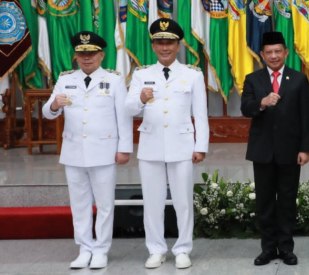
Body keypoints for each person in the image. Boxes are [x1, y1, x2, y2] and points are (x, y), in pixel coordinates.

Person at [43, 31, 132, 269]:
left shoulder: (114, 80)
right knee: (79, 204)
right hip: (73, 151)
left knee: (104, 203)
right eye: (82, 54)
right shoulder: (65, 79)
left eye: (92, 53)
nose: (86, 58)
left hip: (104, 150)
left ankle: (101, 249)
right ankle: (84, 248)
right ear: (76, 55)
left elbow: (123, 117)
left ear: (101, 55)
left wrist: (124, 148)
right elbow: (47, 112)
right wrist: (53, 105)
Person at [124, 18, 209, 269]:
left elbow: (201, 113)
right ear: (152, 46)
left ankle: (183, 248)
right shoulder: (141, 74)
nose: (165, 48)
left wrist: (200, 146)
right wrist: (140, 98)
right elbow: (128, 108)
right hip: (151, 146)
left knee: (183, 201)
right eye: (160, 43)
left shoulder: (192, 74)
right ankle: (156, 249)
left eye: (169, 43)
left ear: (178, 45)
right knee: (152, 201)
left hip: (182, 146)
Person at [240, 31, 309, 266]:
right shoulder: (253, 79)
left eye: (278, 51)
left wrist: (305, 148)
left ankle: (286, 248)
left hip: (290, 151)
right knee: (265, 201)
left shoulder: (299, 79)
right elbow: (245, 108)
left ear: (286, 53)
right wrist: (262, 103)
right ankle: (268, 248)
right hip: (262, 150)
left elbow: (306, 117)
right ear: (262, 54)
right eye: (269, 52)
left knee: (287, 200)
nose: (273, 56)